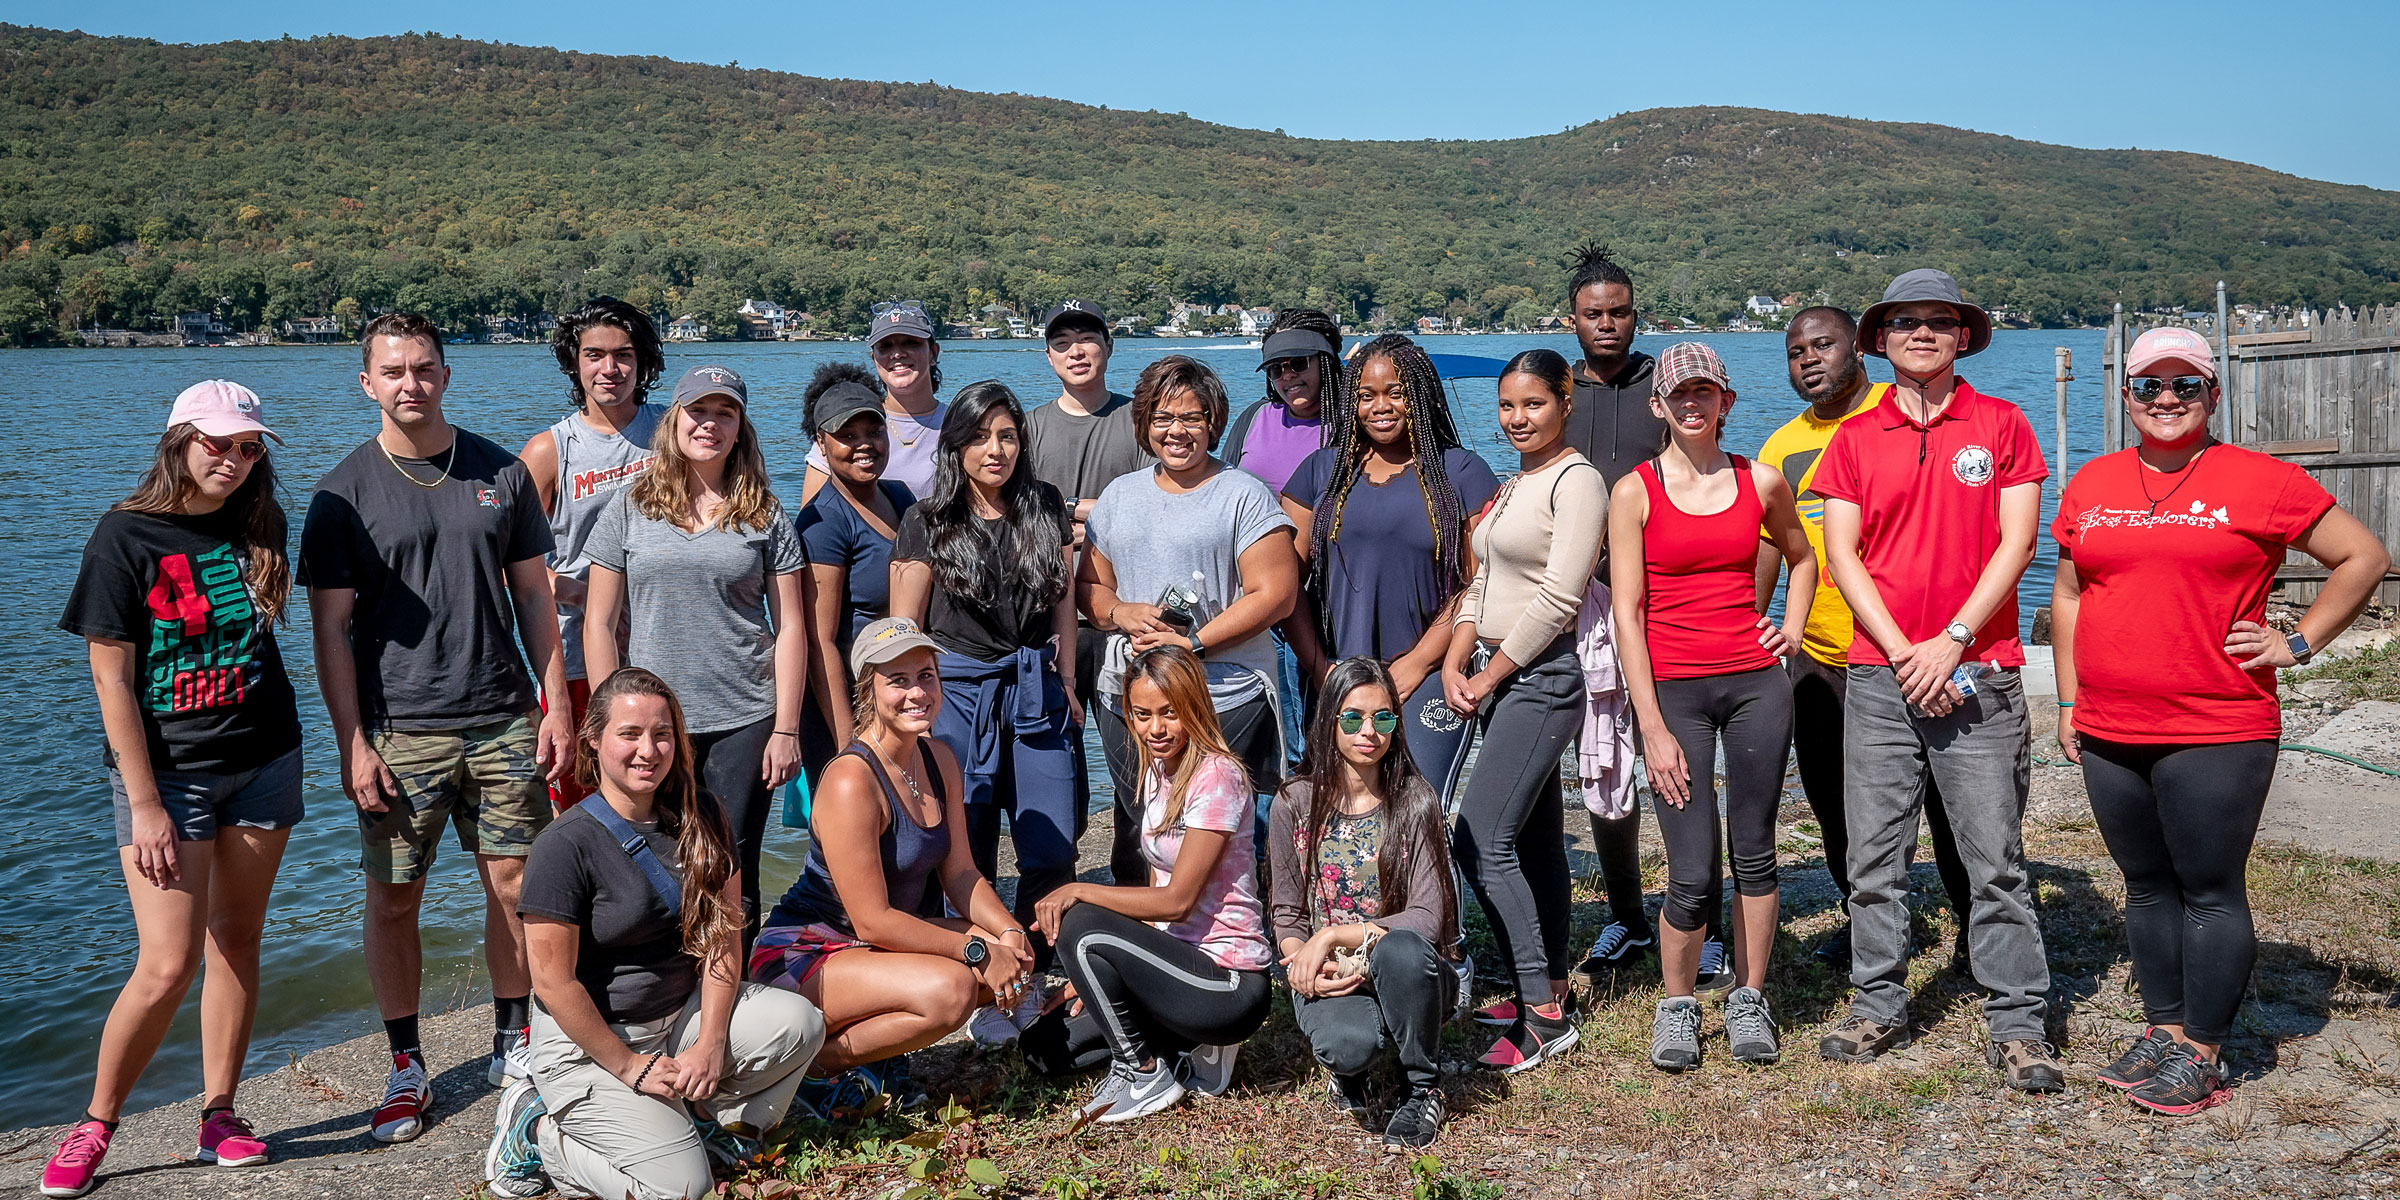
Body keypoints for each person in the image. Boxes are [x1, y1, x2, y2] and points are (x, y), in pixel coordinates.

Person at [2053, 327, 2389, 1115]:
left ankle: (2203, 1049)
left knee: (2207, 887)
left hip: (2218, 722)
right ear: (2126, 394)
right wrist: (2069, 700)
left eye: (2186, 386)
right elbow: (2068, 594)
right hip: (2109, 723)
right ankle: (2163, 1031)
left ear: (2213, 394)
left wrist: (2295, 643)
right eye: (2149, 386)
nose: (2166, 400)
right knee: (2143, 885)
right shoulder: (2094, 482)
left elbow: (2363, 557)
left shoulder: (2259, 480)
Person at [299, 312, 575, 1142]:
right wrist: (352, 741)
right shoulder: (340, 495)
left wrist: (555, 701)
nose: (410, 383)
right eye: (394, 371)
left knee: (519, 890)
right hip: (400, 730)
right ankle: (406, 1064)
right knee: (394, 899)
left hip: (501, 715)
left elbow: (534, 596)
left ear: (447, 374)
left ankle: (511, 1036)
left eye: (424, 368)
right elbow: (331, 633)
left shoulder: (501, 473)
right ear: (367, 384)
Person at [45, 383, 301, 1196]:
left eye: (248, 447)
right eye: (217, 444)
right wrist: (145, 800)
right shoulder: (123, 536)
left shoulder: (258, 523)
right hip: (170, 779)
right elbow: (111, 680)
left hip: (266, 758)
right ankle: (96, 1122)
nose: (232, 460)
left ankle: (219, 1114)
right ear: (180, 442)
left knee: (237, 938)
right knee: (165, 962)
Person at [1812, 268, 2060, 1090]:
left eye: (1940, 321)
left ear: (1963, 337)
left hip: (1978, 674)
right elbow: (1841, 555)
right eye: (1905, 321)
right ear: (1880, 339)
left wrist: (1949, 642)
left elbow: (2018, 544)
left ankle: (2019, 1019)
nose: (1922, 332)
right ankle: (1877, 1002)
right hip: (1882, 679)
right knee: (1875, 860)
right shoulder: (1852, 438)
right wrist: (1903, 651)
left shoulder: (2005, 423)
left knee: (1994, 858)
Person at [484, 667, 825, 1200]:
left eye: (662, 734)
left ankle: (704, 1126)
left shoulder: (704, 813)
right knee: (680, 1190)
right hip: (595, 1042)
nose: (649, 750)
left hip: (679, 1017)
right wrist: (629, 1067)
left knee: (800, 1024)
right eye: (630, 734)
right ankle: (539, 1134)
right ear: (594, 740)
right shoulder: (564, 845)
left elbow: (722, 937)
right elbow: (552, 984)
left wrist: (711, 1042)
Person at [1609, 343, 1814, 1071]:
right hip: (1676, 693)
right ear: (1659, 406)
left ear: (1725, 401)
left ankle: (1750, 995)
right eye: (1679, 394)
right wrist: (1652, 727)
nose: (1693, 404)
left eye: (1706, 391)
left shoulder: (1760, 480)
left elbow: (1803, 555)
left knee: (1756, 850)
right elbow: (1626, 615)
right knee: (1693, 867)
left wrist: (1790, 626)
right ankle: (1679, 1005)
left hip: (1757, 684)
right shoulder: (1634, 490)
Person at [1754, 307, 1975, 973]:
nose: (1810, 360)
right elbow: (1769, 552)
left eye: (1823, 344)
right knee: (1835, 804)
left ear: (1858, 346)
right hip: (1823, 659)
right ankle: (1869, 925)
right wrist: (1749, 627)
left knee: (1948, 801)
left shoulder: (1904, 409)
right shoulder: (1781, 447)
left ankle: (1974, 925)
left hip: (1915, 651)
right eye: (1796, 353)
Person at [749, 619, 1034, 1115]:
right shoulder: (850, 781)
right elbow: (871, 920)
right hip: (809, 950)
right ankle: (809, 1069)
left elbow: (962, 874)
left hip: (876, 945)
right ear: (868, 689)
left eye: (926, 675)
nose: (916, 693)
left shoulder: (939, 757)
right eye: (897, 680)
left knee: (1012, 960)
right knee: (953, 990)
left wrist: (1007, 931)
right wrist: (975, 948)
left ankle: (867, 1062)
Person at [583, 365, 806, 948]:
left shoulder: (766, 515)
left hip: (745, 717)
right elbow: (600, 622)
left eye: (724, 413)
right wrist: (610, 721)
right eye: (697, 411)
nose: (709, 424)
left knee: (732, 865)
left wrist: (786, 727)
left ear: (740, 429)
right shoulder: (627, 509)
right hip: (654, 726)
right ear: (673, 421)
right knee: (652, 857)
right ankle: (665, 992)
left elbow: (791, 629)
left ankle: (730, 1006)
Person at [1553, 244, 1725, 985]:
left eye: (1620, 312)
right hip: (1577, 606)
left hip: (1659, 605)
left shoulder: (1666, 387)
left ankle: (1703, 917)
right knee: (1604, 760)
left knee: (1682, 762)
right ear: (1573, 320)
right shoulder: (1557, 392)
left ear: (1636, 314)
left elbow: (1709, 484)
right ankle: (1625, 915)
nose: (1608, 325)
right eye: (1594, 314)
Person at [1442, 348, 1605, 1072]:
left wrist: (1493, 673)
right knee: (1535, 844)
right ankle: (1546, 985)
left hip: (1542, 676)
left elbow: (1561, 598)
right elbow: (1481, 585)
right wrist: (1455, 658)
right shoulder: (1515, 484)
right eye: (1508, 406)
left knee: (1479, 839)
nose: (1517, 418)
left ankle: (1543, 1015)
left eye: (1533, 404)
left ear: (1565, 401)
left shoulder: (1578, 481)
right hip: (1497, 672)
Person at [1032, 646, 1274, 1124]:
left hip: (1229, 982)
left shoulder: (1217, 776)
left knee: (1079, 921)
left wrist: (1079, 891)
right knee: (1045, 1048)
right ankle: (1192, 1049)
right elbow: (1156, 886)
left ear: (1195, 708)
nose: (1155, 729)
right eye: (1142, 715)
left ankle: (1143, 1072)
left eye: (1170, 713)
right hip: (1178, 965)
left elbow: (1177, 900)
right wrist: (1105, 976)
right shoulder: (1158, 770)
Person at [1081, 355, 1299, 885]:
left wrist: (1194, 643)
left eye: (1191, 418)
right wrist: (1119, 612)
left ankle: (1226, 937)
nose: (1176, 431)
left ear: (1213, 423)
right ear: (1144, 425)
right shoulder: (1119, 495)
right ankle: (1137, 938)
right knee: (1138, 820)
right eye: (1162, 418)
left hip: (1224, 691)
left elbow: (1276, 594)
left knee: (1212, 821)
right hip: (1130, 691)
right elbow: (1089, 586)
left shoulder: (1242, 493)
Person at [890, 381, 1079, 986]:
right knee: (966, 842)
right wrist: (904, 711)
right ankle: (983, 970)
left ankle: (1038, 966)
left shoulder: (1045, 504)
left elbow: (1065, 602)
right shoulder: (927, 520)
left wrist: (1068, 681)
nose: (995, 450)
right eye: (978, 437)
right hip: (956, 691)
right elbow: (902, 630)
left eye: (1007, 435)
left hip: (1033, 685)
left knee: (1051, 840)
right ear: (955, 446)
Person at [1281, 334, 1499, 797]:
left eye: (1395, 392)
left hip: (1430, 674)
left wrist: (1418, 663)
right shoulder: (1319, 472)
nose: (1380, 406)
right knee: (1343, 809)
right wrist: (1322, 668)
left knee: (1421, 808)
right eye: (1365, 395)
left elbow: (1478, 584)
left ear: (1420, 395)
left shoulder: (1462, 472)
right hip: (1338, 673)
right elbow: (1285, 588)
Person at [1267, 658, 1460, 1151]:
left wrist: (1330, 933)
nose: (1368, 732)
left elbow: (1427, 918)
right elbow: (1287, 914)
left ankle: (1422, 1085)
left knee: (1402, 949)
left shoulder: (1415, 801)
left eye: (1383, 718)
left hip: (1408, 967)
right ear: (1330, 721)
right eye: (1352, 718)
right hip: (1334, 971)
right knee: (1349, 1047)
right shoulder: (1293, 802)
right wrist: (1302, 959)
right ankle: (1354, 1064)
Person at [519, 297, 666, 806]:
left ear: (642, 361)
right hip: (577, 658)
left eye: (624, 354)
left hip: (662, 651)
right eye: (594, 354)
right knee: (586, 811)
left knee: (668, 807)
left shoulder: (672, 432)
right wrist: (585, 594)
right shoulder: (549, 451)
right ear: (574, 362)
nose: (610, 369)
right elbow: (512, 569)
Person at [797, 364, 917, 781]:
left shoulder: (900, 496)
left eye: (873, 432)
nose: (863, 445)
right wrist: (849, 740)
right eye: (846, 437)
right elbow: (820, 641)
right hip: (847, 698)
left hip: (900, 690)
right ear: (821, 443)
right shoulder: (825, 521)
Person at [803, 301, 947, 500]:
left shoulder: (961, 424)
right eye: (885, 347)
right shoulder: (844, 423)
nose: (897, 354)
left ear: (933, 353)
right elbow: (811, 516)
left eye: (911, 343)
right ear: (874, 359)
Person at [1220, 308, 1340, 495]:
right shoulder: (1254, 417)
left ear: (1325, 362)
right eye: (1276, 368)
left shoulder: (1350, 423)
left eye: (1299, 363)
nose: (1288, 375)